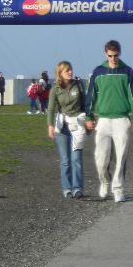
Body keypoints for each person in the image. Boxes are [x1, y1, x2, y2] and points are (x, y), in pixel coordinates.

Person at [85, 40, 133, 203]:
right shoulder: (98, 71)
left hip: (122, 119)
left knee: (121, 156)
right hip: (103, 120)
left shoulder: (127, 71)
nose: (113, 58)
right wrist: (88, 116)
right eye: (110, 56)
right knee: (100, 158)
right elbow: (91, 95)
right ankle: (104, 182)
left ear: (120, 54)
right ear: (105, 54)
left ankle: (118, 189)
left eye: (116, 55)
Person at [47, 61, 87, 199]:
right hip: (62, 126)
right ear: (60, 73)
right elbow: (51, 109)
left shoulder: (78, 85)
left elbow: (85, 104)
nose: (70, 72)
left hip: (77, 124)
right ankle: (67, 188)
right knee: (65, 159)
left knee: (76, 158)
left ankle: (78, 188)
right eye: (67, 70)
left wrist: (88, 120)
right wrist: (50, 126)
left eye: (71, 69)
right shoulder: (55, 89)